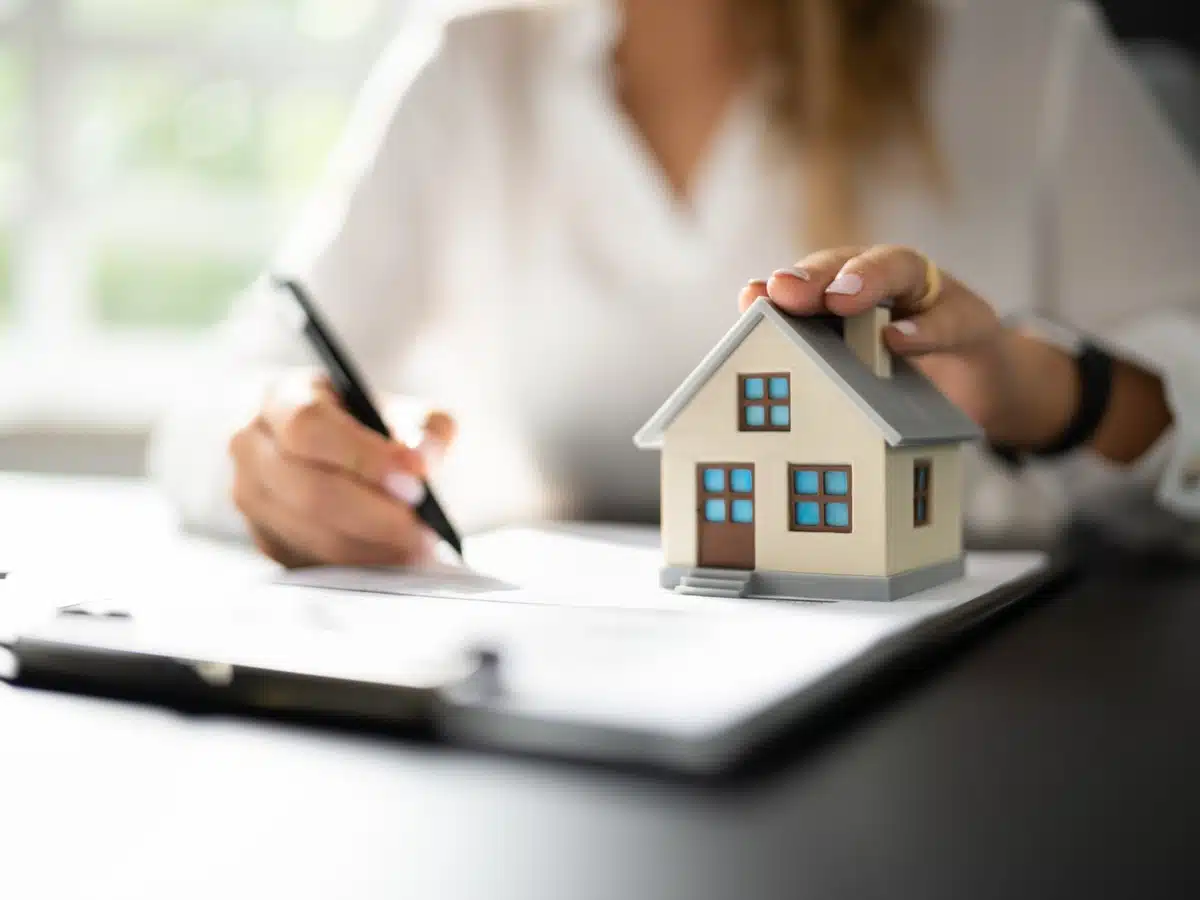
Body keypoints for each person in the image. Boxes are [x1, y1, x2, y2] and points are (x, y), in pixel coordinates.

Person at [149, 0, 1200, 567]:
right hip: (582, 713)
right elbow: (238, 382)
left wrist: (1039, 390)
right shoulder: (476, 61)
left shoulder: (1029, 46)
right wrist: (270, 442)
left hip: (991, 706)